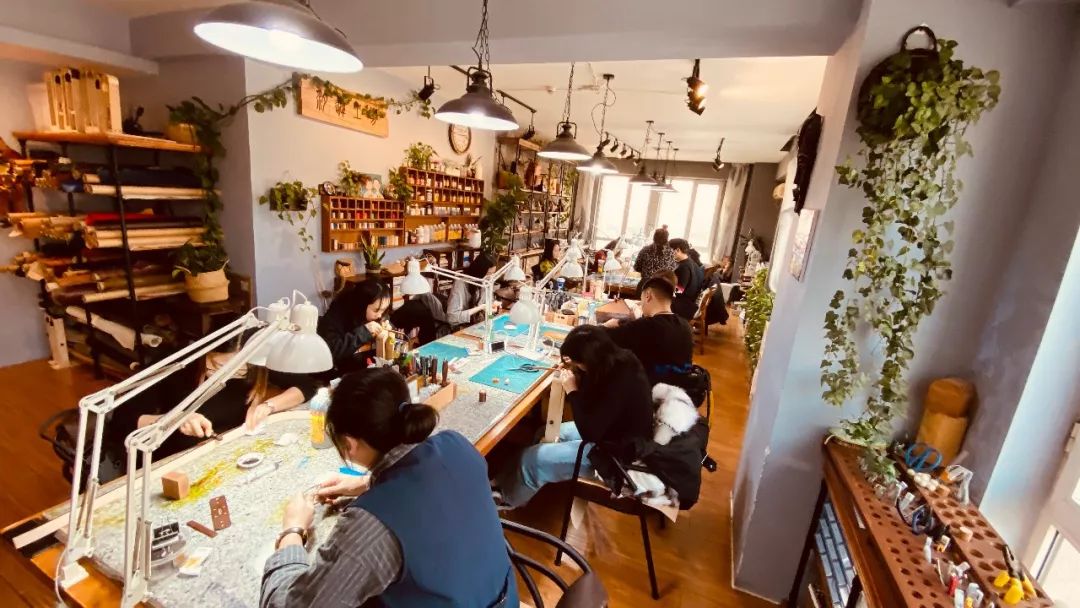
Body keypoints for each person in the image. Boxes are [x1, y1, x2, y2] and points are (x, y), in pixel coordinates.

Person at [261, 368, 517, 607]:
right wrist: (367, 484)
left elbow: (295, 604)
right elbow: (428, 494)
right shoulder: (456, 443)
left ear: (349, 444)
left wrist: (292, 531)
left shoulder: (369, 525)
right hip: (504, 597)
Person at [493, 325, 653, 509]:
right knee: (544, 433)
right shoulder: (615, 360)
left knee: (531, 461)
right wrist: (577, 372)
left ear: (589, 360)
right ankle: (508, 484)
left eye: (578, 363)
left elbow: (590, 432)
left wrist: (572, 390)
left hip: (619, 455)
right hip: (613, 432)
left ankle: (506, 500)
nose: (577, 366)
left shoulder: (621, 379)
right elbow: (596, 405)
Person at [106, 332, 317, 468]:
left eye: (242, 368)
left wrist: (268, 406)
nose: (232, 373)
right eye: (221, 366)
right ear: (209, 352)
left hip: (224, 457)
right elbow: (122, 420)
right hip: (175, 460)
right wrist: (174, 419)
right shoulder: (180, 363)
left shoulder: (253, 363)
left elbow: (307, 386)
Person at [603, 275, 694, 384]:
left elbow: (602, 336)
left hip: (650, 389)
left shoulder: (647, 326)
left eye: (641, 300)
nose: (641, 305)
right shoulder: (685, 325)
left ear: (648, 295)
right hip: (680, 388)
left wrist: (606, 326)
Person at [317, 279, 391, 374]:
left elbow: (386, 319)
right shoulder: (335, 317)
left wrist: (388, 327)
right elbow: (331, 352)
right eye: (376, 310)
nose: (380, 315)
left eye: (383, 310)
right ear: (362, 305)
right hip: (341, 373)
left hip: (368, 367)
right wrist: (363, 332)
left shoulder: (378, 315)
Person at [446, 255, 495, 326]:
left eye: (493, 273)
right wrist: (480, 308)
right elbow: (451, 318)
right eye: (489, 273)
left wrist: (491, 319)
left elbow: (489, 313)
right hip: (462, 327)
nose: (491, 277)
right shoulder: (460, 284)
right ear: (480, 271)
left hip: (480, 325)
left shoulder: (486, 283)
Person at [669, 238, 704, 320]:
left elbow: (678, 291)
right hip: (690, 302)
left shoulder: (683, 267)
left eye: (669, 251)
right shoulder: (691, 262)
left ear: (677, 250)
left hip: (684, 306)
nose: (668, 254)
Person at [633, 228, 676, 293]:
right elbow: (672, 270)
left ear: (654, 237)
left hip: (645, 285)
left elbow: (637, 267)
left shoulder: (645, 250)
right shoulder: (671, 253)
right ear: (667, 239)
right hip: (662, 288)